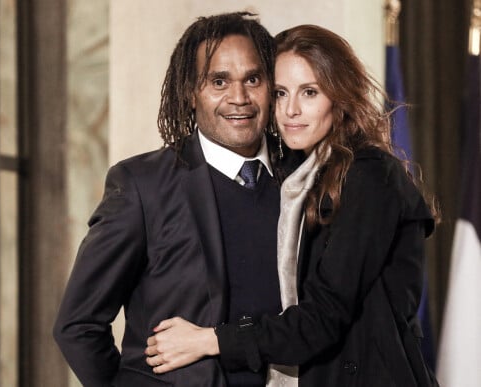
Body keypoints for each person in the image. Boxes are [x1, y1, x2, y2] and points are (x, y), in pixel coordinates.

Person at [144, 24, 440, 387]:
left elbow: (322, 319)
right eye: (281, 93)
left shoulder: (370, 176)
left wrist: (209, 340)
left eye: (310, 92)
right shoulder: (301, 180)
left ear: (340, 96)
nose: (291, 110)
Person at [53, 12, 287, 387]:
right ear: (191, 93)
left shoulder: (300, 181)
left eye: (253, 79)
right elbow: (77, 324)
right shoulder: (142, 186)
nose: (239, 98)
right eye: (219, 81)